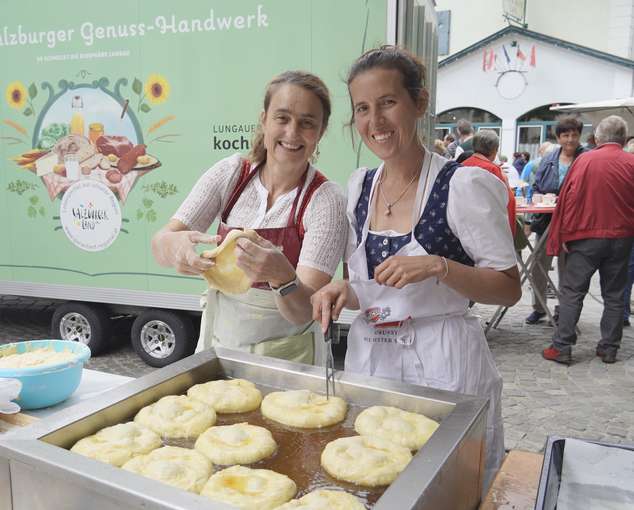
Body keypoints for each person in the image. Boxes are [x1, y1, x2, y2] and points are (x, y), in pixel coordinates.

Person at [310, 46, 521, 491]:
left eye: (388, 102)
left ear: (419, 103)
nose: (375, 122)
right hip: (375, 357)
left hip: (443, 359)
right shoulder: (360, 187)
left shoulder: (462, 185)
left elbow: (507, 288)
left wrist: (440, 266)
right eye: (363, 109)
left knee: (449, 485)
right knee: (375, 477)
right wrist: (341, 292)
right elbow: (368, 286)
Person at [152, 71, 347, 364]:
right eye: (282, 118)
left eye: (307, 123)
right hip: (222, 345)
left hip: (290, 357)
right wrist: (175, 248)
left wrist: (282, 277)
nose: (292, 133)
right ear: (264, 120)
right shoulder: (230, 174)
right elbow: (160, 243)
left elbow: (304, 312)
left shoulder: (325, 200)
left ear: (320, 132)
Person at [543, 115, 634, 364]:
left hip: (586, 236)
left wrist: (563, 233)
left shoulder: (585, 160)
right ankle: (609, 347)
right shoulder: (631, 162)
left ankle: (562, 346)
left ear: (598, 138)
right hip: (622, 237)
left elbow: (568, 199)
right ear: (624, 139)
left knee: (573, 291)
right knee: (615, 294)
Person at [525, 116, 587, 325]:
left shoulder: (586, 158)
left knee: (568, 270)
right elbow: (536, 186)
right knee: (538, 266)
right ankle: (539, 307)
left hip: (573, 225)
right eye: (565, 135)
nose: (570, 139)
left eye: (574, 135)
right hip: (546, 222)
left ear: (580, 136)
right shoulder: (549, 158)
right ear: (558, 137)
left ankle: (564, 310)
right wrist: (536, 196)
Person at [461, 130, 516, 237]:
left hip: (466, 228)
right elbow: (507, 202)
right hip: (488, 230)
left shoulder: (461, 166)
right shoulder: (493, 170)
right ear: (495, 150)